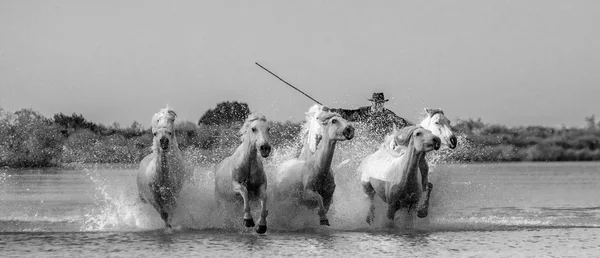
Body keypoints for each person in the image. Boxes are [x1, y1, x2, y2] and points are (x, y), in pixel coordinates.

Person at [326, 93, 409, 137]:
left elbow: (401, 122)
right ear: (372, 102)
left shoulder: (388, 114)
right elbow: (348, 114)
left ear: (383, 104)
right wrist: (331, 110)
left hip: (382, 146)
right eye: (375, 103)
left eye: (380, 103)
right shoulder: (364, 112)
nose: (377, 105)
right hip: (367, 144)